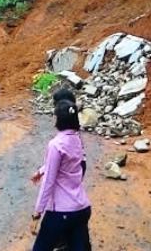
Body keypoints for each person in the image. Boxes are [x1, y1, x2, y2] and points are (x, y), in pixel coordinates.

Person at [30, 100, 91, 251]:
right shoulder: (76, 139)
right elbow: (68, 162)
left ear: (59, 119)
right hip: (82, 208)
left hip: (61, 213)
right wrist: (41, 170)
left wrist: (37, 213)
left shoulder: (55, 144)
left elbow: (48, 183)